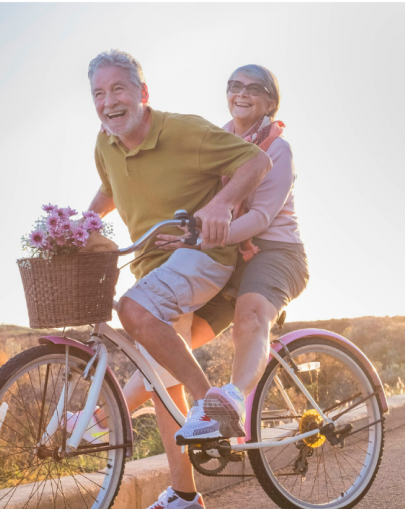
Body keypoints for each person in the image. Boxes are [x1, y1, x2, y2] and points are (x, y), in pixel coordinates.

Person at [86, 50, 272, 509]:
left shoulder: (183, 130)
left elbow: (255, 162)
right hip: (155, 266)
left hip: (202, 256)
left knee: (132, 308)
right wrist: (80, 225)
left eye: (118, 89)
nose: (108, 102)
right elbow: (110, 189)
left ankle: (209, 400)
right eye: (98, 93)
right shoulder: (104, 144)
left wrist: (222, 204)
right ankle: (186, 495)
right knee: (158, 377)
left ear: (142, 94)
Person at [121, 64, 308, 509]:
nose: (242, 94)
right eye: (234, 87)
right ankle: (107, 421)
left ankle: (230, 401)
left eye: (254, 89)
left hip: (275, 254)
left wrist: (201, 238)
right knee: (167, 345)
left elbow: (261, 219)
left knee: (250, 316)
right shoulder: (221, 137)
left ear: (270, 102)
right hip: (227, 258)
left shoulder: (278, 150)